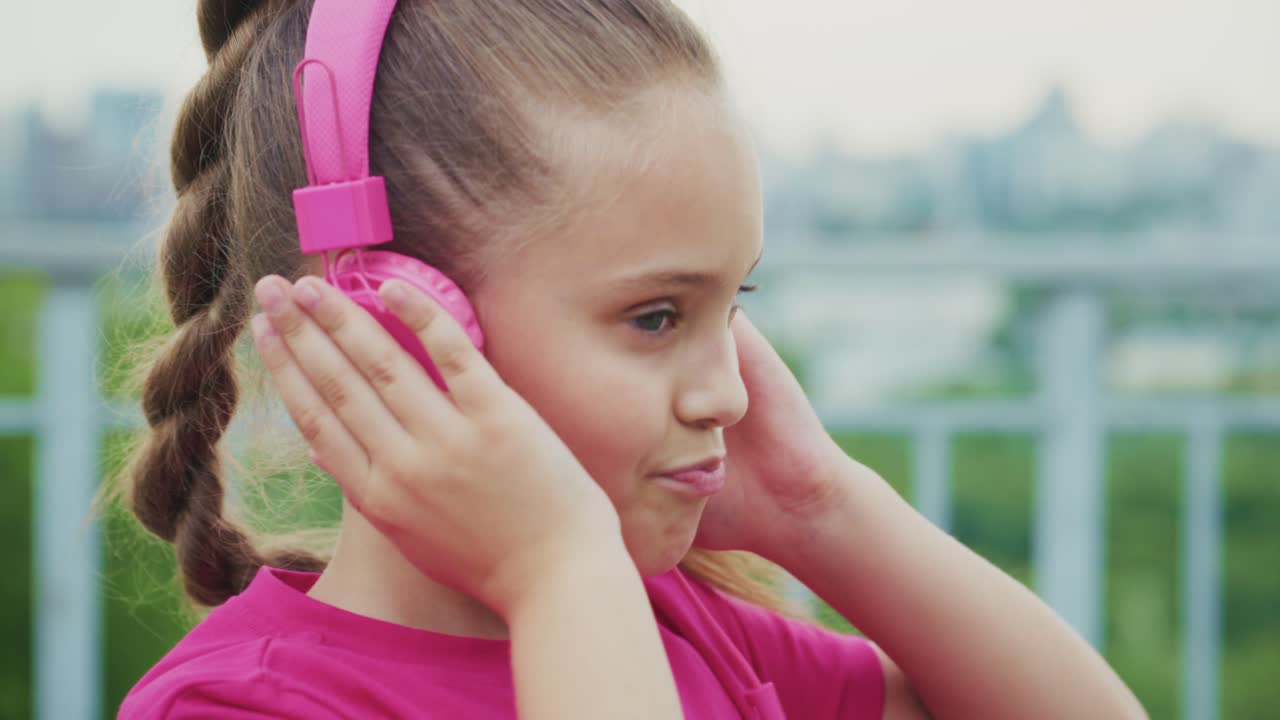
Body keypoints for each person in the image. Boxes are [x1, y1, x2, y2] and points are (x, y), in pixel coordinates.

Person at [111, 0, 1147, 717]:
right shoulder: (241, 705)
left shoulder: (685, 628)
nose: (728, 390)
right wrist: (556, 575)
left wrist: (819, 504)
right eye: (656, 316)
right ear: (386, 326)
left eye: (729, 302)